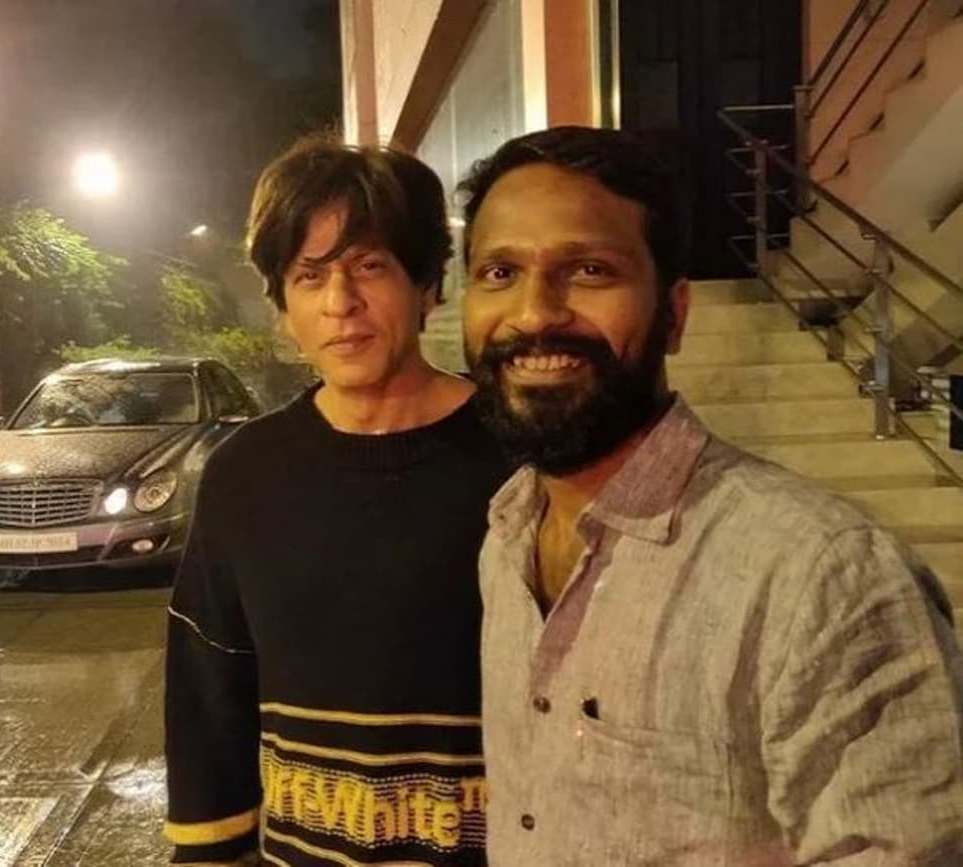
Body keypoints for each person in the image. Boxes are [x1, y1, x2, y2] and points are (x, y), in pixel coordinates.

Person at [459, 126, 963, 865]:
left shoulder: (821, 576)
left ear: (675, 315)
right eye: (499, 272)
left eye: (590, 270)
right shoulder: (506, 538)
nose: (534, 312)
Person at [163, 136, 509, 866]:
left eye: (369, 266)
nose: (340, 303)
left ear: (428, 285)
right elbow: (208, 694)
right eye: (309, 275)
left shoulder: (520, 460)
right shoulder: (244, 475)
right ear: (283, 308)